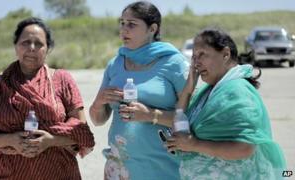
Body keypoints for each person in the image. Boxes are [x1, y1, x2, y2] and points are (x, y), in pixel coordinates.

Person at [0, 17, 95, 180]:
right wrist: (10, 140)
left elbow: (82, 132)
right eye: (25, 42)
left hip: (60, 173)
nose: (32, 48)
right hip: (8, 174)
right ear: (16, 46)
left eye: (39, 43)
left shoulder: (62, 80)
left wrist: (50, 140)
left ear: (47, 48)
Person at [166, 27, 286, 179]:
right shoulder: (211, 90)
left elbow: (244, 148)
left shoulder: (236, 90)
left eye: (202, 54)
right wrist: (188, 89)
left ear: (225, 54)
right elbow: (179, 117)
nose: (196, 63)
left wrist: (193, 144)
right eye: (194, 56)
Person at [89, 1, 189, 179]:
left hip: (162, 169)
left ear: (152, 29)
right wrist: (99, 102)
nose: (123, 30)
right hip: (120, 169)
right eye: (122, 23)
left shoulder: (174, 63)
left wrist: (151, 115)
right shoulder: (115, 64)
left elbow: (194, 117)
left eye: (132, 24)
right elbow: (97, 120)